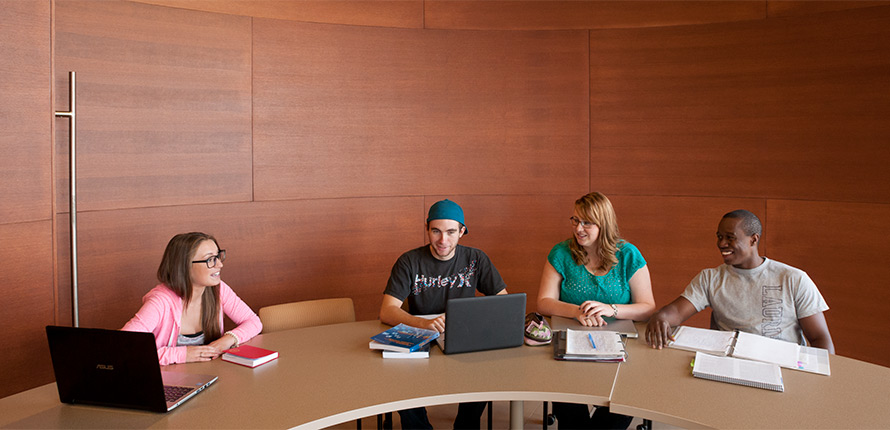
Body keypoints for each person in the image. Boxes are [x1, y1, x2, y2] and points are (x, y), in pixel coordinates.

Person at [380, 199, 508, 430]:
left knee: (485, 370)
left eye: (451, 232)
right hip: (419, 334)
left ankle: (466, 425)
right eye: (436, 231)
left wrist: (474, 321)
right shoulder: (409, 261)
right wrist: (421, 323)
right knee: (399, 378)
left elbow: (503, 302)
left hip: (463, 334)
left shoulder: (476, 259)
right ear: (427, 228)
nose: (443, 240)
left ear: (462, 231)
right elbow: (387, 311)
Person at [536, 192, 656, 430]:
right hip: (571, 343)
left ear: (604, 224)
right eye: (575, 220)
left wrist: (611, 309)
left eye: (587, 223)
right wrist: (576, 311)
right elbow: (544, 302)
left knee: (619, 408)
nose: (578, 228)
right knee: (570, 413)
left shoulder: (628, 255)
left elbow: (647, 308)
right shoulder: (561, 253)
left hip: (622, 345)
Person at [645, 210, 835, 353]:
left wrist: (819, 378)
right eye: (719, 237)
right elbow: (676, 312)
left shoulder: (793, 279)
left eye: (730, 238)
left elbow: (819, 338)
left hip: (781, 366)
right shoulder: (710, 278)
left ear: (753, 240)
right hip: (730, 365)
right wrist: (661, 317)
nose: (721, 244)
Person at [123, 232, 262, 365]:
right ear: (185, 266)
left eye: (218, 256)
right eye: (210, 259)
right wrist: (183, 354)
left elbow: (253, 322)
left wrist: (228, 339)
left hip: (210, 376)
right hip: (166, 382)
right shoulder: (160, 302)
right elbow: (123, 348)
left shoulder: (218, 289)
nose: (220, 264)